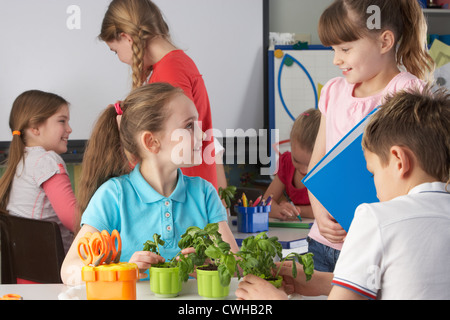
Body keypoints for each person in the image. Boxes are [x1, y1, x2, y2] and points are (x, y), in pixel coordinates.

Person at [235, 86, 450, 300]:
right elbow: (397, 283)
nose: (374, 186)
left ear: (399, 161)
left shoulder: (376, 218)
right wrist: (320, 282)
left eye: (372, 173)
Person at [60, 83, 239, 285]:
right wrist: (124, 271)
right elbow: (69, 270)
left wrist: (213, 265)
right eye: (189, 126)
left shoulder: (205, 193)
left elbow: (236, 265)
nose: (202, 134)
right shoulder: (113, 195)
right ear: (151, 142)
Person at [306, 0, 434, 272]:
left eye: (345, 49)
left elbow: (421, 175)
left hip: (377, 245)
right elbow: (317, 162)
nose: (336, 59)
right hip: (323, 242)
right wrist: (318, 211)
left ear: (385, 41)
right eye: (333, 49)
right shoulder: (332, 91)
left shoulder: (407, 91)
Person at [78, 0, 225, 216]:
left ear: (126, 38)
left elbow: (171, 149)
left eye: (114, 51)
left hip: (184, 204)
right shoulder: (178, 64)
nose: (119, 59)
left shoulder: (169, 73)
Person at [0, 90, 77, 253]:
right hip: (55, 271)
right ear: (35, 127)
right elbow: (74, 220)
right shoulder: (47, 160)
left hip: (26, 271)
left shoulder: (22, 161)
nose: (69, 129)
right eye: (62, 121)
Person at [264, 108, 320, 220]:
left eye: (310, 165)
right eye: (297, 161)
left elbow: (328, 211)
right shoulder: (287, 164)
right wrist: (276, 209)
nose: (304, 170)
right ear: (290, 144)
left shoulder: (327, 170)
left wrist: (297, 210)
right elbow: (266, 202)